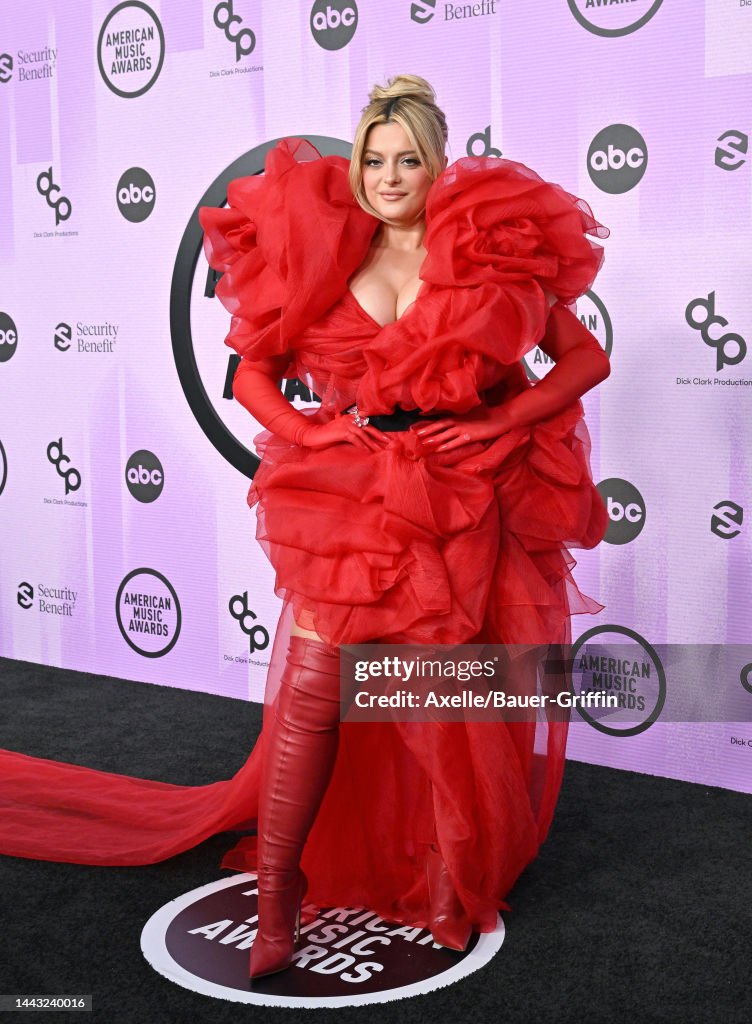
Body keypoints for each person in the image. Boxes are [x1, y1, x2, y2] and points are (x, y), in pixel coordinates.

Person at [0, 73, 611, 983]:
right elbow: (251, 373)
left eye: (408, 160)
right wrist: (309, 432)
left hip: (457, 497)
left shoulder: (487, 256)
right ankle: (279, 897)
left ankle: (448, 880)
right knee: (314, 700)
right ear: (356, 165)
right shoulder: (324, 250)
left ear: (438, 165)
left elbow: (584, 358)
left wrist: (499, 423)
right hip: (346, 501)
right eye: (374, 159)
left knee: (437, 696)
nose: (389, 177)